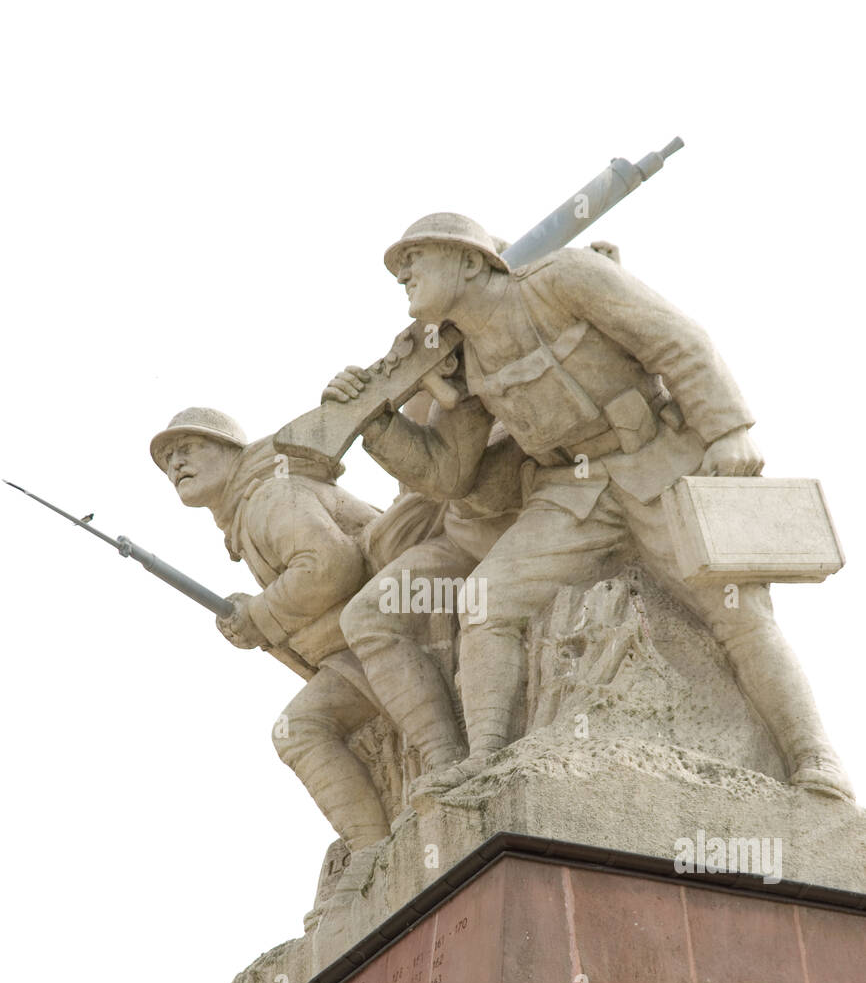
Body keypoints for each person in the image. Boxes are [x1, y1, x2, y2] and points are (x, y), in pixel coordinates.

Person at [335, 212, 852, 800]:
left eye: (416, 257)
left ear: (472, 260)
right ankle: (485, 758)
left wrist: (728, 428)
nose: (402, 272)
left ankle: (816, 760)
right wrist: (374, 424)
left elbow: (676, 340)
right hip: (572, 492)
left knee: (739, 615)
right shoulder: (463, 355)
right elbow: (446, 473)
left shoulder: (566, 278)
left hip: (659, 461)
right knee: (485, 603)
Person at [150, 406, 393, 849]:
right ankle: (372, 849)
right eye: (168, 460)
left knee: (300, 728)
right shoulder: (247, 514)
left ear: (229, 451)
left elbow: (330, 565)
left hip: (402, 628)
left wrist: (260, 616)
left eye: (187, 449)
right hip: (367, 643)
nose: (175, 465)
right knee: (297, 729)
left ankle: (372, 846)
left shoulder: (268, 497)